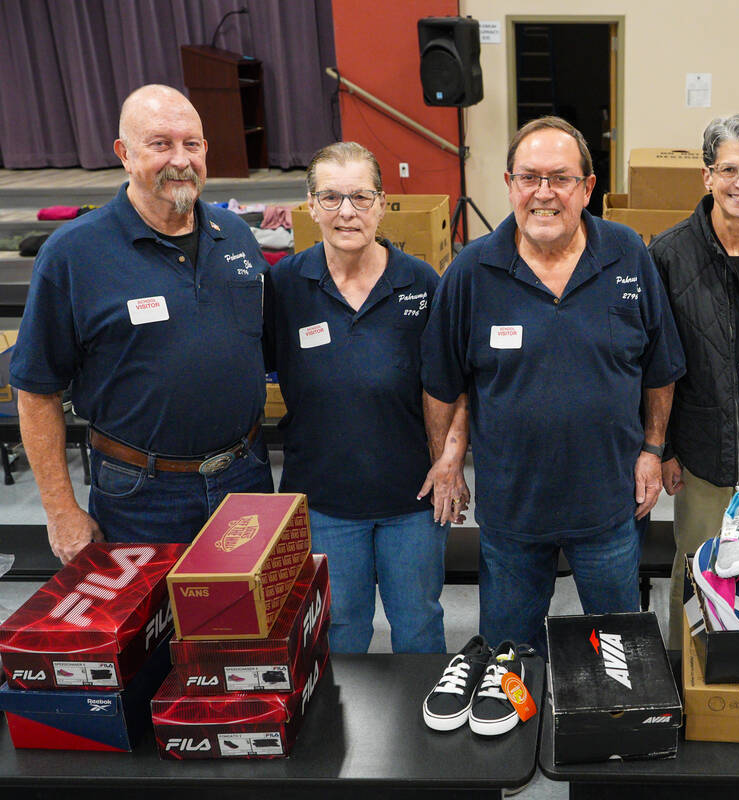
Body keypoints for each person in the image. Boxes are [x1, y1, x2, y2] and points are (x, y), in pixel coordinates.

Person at [421, 116, 685, 655]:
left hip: (610, 505)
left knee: (619, 652)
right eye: (529, 178)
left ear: (587, 188)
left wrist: (653, 449)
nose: (544, 194)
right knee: (507, 659)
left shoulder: (627, 254)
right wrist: (446, 461)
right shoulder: (471, 272)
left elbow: (660, 367)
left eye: (560, 178)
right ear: (509, 185)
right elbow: (443, 383)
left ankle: (614, 734)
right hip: (514, 511)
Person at [10, 84, 272, 563]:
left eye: (191, 144)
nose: (180, 159)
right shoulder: (73, 255)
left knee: (246, 633)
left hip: (245, 477)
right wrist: (61, 510)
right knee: (151, 633)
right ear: (124, 154)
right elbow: (36, 391)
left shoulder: (232, 233)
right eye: (160, 144)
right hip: (141, 494)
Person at [264, 142, 458, 654]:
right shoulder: (284, 284)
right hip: (323, 501)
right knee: (340, 629)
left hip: (412, 500)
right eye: (330, 197)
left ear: (381, 203)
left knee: (418, 623)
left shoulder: (421, 283)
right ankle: (343, 733)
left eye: (360, 196)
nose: (346, 211)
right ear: (309, 205)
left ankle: (424, 733)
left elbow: (454, 384)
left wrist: (451, 462)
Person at [648, 113, 739, 649]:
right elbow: (654, 361)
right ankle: (682, 662)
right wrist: (660, 447)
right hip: (701, 435)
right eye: (729, 169)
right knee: (697, 557)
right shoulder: (668, 254)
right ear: (706, 176)